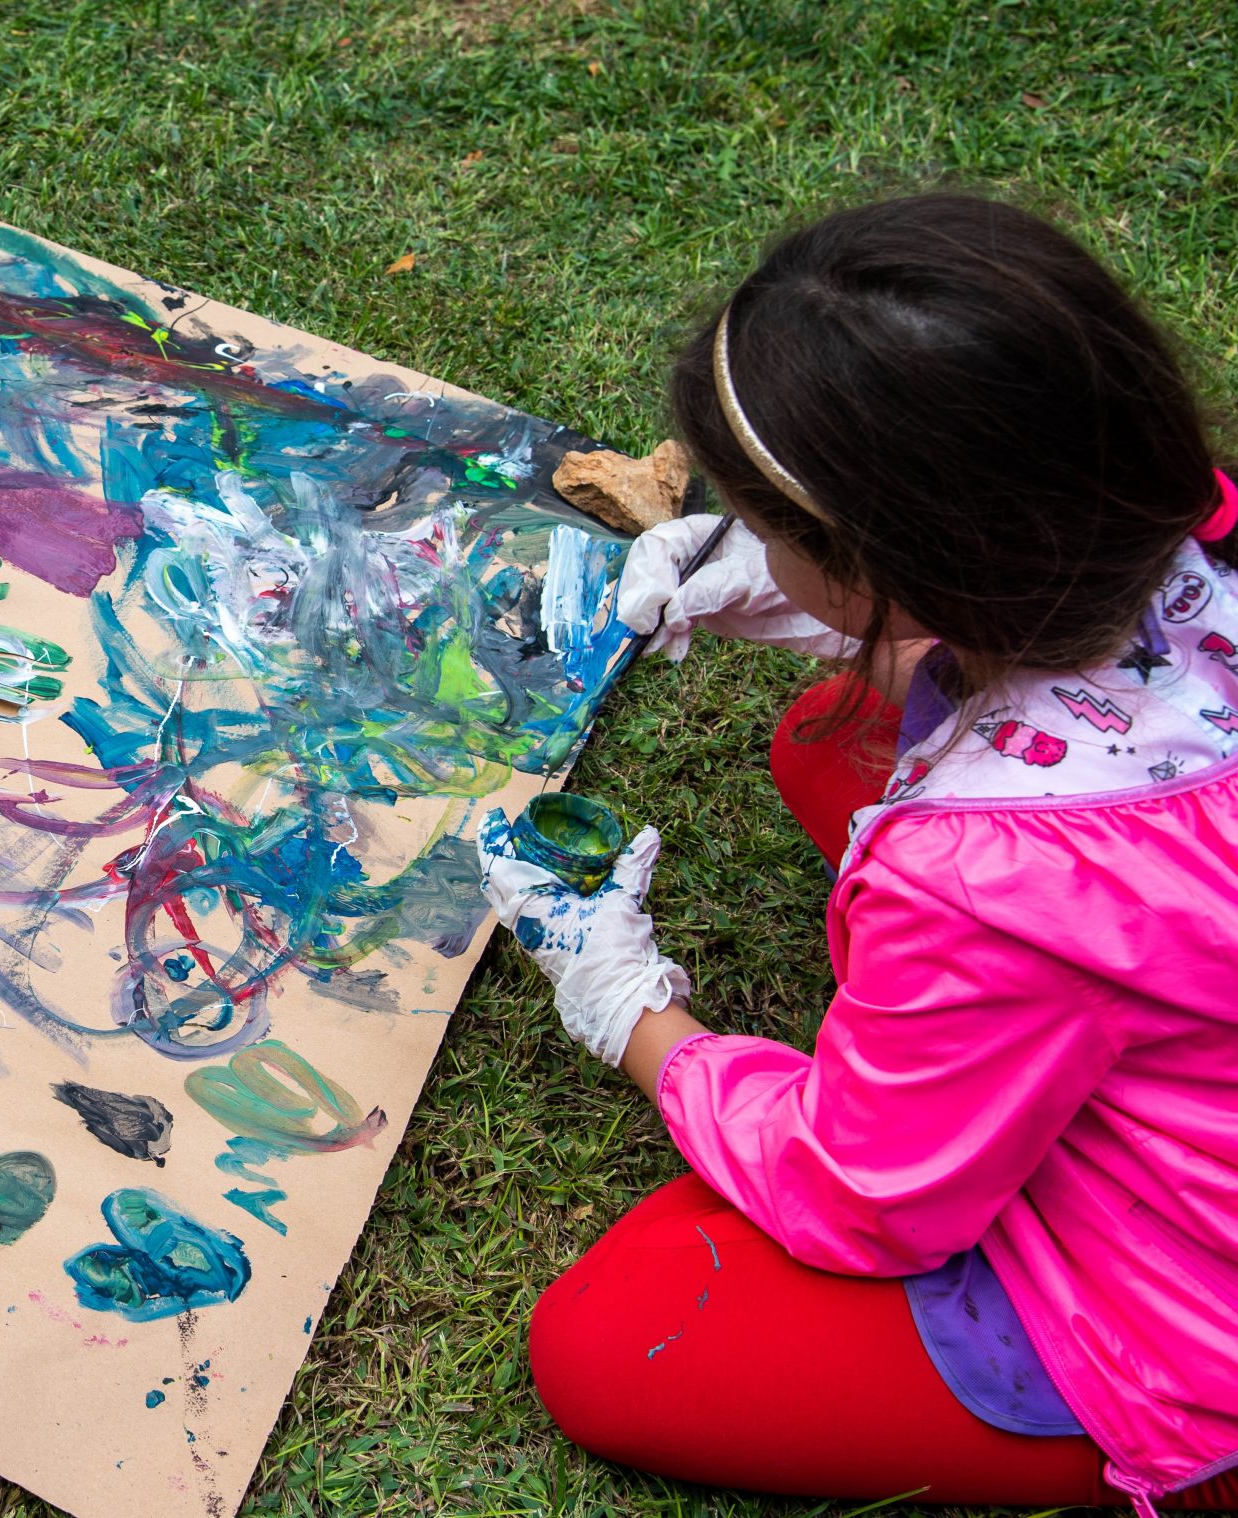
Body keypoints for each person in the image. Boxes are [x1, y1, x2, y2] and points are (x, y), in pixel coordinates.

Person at [478, 193, 1238, 1513]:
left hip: (1196, 1305)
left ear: (907, 563)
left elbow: (865, 1195)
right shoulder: (1186, 522)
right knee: (828, 745)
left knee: (622, 1333)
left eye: (775, 531)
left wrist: (631, 1008)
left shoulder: (990, 884)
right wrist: (806, 597)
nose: (751, 544)